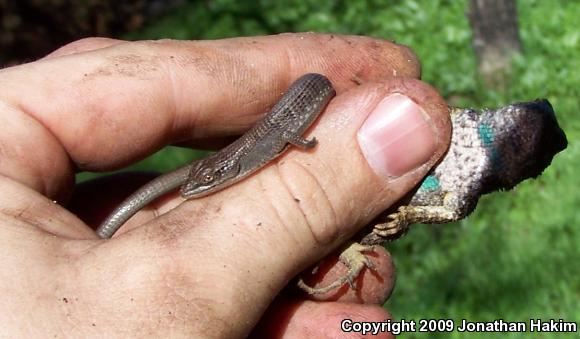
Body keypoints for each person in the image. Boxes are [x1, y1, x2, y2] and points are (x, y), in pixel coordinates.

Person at [0, 33, 450, 337]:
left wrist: (313, 151)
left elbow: (287, 136)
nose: (202, 185)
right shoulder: (248, 153)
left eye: (212, 177)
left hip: (307, 96)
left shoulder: (263, 145)